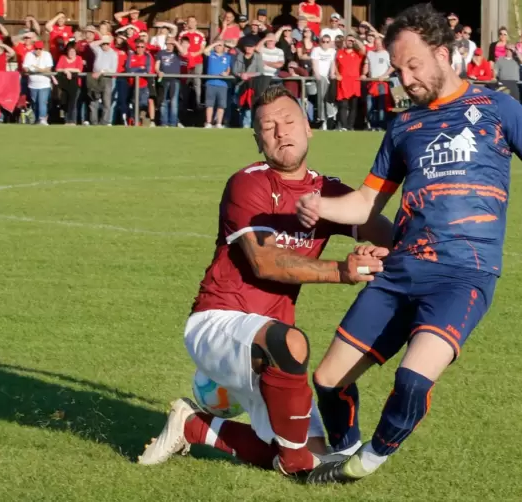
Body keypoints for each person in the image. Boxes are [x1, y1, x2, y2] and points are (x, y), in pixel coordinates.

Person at [297, 3, 522, 484]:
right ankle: (344, 448)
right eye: (397, 69)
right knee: (328, 381)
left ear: (441, 53)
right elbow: (364, 204)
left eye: (413, 65)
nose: (405, 78)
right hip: (398, 272)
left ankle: (367, 460)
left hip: (463, 275)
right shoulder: (402, 127)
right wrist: (320, 206)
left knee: (412, 380)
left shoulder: (498, 108)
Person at [137, 84, 391, 476]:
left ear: (309, 127)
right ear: (258, 140)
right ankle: (294, 457)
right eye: (268, 126)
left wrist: (377, 255)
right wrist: (344, 269)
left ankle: (193, 426)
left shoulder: (328, 193)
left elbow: (390, 237)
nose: (280, 132)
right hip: (217, 323)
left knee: (311, 461)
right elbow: (265, 262)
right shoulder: (248, 183)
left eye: (288, 121)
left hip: (273, 353)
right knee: (290, 341)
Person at [334, 33, 365, 131]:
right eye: (348, 40)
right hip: (343, 82)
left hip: (355, 82)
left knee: (353, 106)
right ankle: (344, 126)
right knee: (343, 105)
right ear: (345, 41)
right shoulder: (340, 53)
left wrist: (356, 41)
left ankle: (350, 126)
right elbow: (334, 64)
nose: (350, 42)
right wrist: (337, 73)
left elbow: (363, 49)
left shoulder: (358, 53)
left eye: (352, 41)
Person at [88, 35, 117, 126]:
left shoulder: (113, 54)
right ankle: (93, 122)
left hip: (106, 78)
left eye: (107, 44)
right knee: (93, 100)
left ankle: (104, 122)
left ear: (110, 44)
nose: (105, 45)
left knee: (106, 101)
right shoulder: (99, 50)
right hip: (95, 78)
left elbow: (113, 70)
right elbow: (91, 45)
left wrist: (101, 72)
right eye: (103, 44)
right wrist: (102, 40)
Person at [22, 41, 53, 125]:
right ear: (34, 48)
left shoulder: (47, 55)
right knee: (35, 103)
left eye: (40, 49)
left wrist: (36, 69)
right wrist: (32, 70)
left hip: (44, 83)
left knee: (42, 102)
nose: (38, 50)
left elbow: (48, 68)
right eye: (36, 49)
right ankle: (36, 119)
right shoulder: (29, 55)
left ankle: (42, 119)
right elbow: (25, 67)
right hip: (32, 84)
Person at [126, 38, 155, 126]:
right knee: (134, 103)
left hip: (144, 84)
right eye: (138, 47)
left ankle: (143, 118)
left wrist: (136, 70)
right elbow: (128, 69)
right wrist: (140, 68)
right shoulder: (131, 56)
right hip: (133, 84)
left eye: (142, 47)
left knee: (143, 103)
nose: (140, 49)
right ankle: (135, 120)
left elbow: (148, 69)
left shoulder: (147, 57)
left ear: (145, 48)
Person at [178, 17, 206, 108]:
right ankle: (184, 104)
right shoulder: (182, 34)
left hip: (197, 61)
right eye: (190, 21)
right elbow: (179, 47)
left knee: (197, 82)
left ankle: (197, 103)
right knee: (185, 82)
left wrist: (193, 55)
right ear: (187, 23)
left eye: (194, 21)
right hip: (185, 61)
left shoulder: (200, 34)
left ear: (196, 23)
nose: (192, 23)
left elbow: (202, 49)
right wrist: (187, 55)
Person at [202, 40, 231, 128]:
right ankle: (208, 123)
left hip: (222, 84)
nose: (218, 47)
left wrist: (227, 73)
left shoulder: (227, 57)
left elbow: (228, 68)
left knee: (221, 105)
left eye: (220, 46)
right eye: (217, 46)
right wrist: (215, 43)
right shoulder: (211, 55)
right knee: (209, 104)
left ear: (223, 47)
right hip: (210, 83)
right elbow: (205, 51)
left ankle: (219, 123)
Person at [155, 36, 183, 127]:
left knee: (174, 102)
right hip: (164, 80)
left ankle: (173, 123)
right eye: (168, 43)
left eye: (171, 44)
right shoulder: (161, 53)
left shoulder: (177, 53)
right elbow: (157, 65)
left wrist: (175, 42)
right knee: (163, 102)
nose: (169, 45)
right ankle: (164, 122)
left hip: (175, 81)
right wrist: (158, 71)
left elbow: (183, 52)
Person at [310, 34, 336, 129]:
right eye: (323, 41)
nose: (325, 43)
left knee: (328, 97)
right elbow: (314, 63)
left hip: (328, 77)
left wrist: (332, 74)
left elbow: (333, 63)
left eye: (327, 42)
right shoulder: (316, 50)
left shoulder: (332, 51)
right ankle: (323, 118)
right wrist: (317, 74)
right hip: (320, 76)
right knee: (321, 97)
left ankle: (330, 113)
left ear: (330, 43)